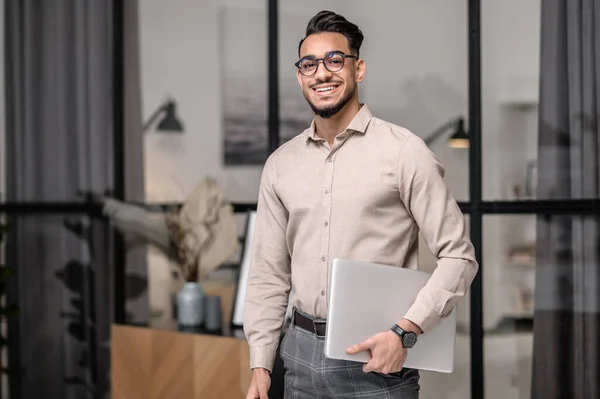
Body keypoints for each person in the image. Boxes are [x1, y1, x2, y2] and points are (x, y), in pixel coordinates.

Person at [243, 10, 479, 399]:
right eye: (309, 64)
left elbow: (459, 257)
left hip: (377, 359)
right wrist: (260, 365)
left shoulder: (404, 152)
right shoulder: (280, 165)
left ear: (359, 69)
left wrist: (406, 331)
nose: (322, 73)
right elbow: (269, 275)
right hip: (298, 358)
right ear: (301, 76)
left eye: (335, 60)